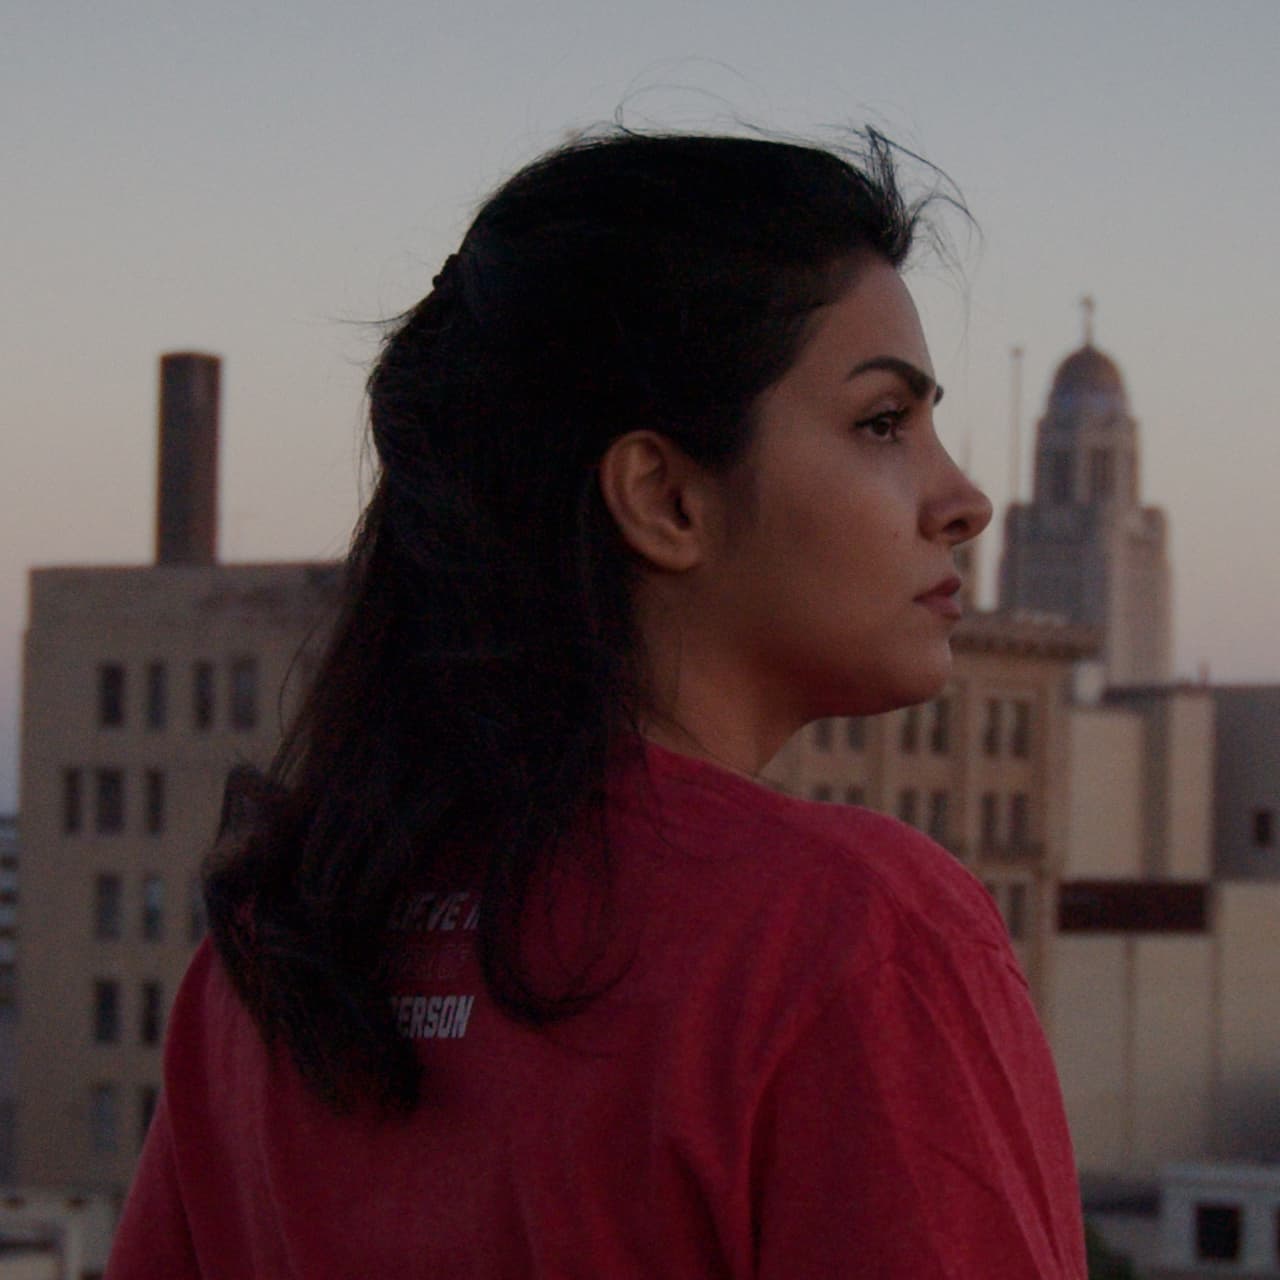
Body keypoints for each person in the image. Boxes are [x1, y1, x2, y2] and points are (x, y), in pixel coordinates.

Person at [107, 129, 1087, 1277]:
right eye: (882, 422)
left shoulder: (265, 964)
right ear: (664, 497)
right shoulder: (849, 940)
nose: (960, 499)